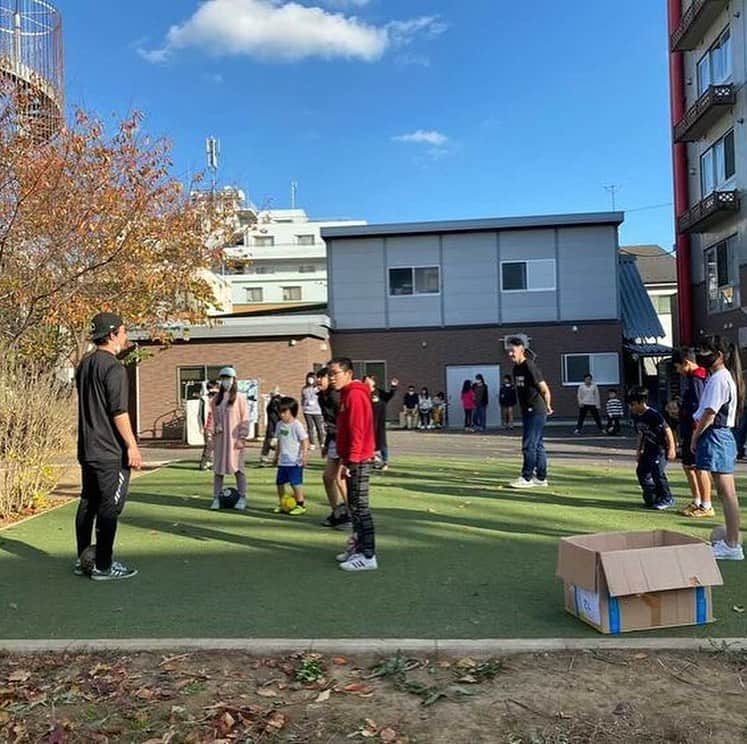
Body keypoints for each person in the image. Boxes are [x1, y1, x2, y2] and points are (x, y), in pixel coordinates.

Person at [75, 312, 141, 581]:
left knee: (88, 503)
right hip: (109, 452)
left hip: (88, 449)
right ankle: (103, 565)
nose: (126, 336)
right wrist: (132, 447)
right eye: (124, 331)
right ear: (112, 334)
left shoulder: (84, 365)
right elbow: (118, 411)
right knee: (109, 507)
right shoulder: (113, 368)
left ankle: (84, 560)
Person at [691, 337, 744, 560]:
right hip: (720, 436)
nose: (702, 355)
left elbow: (710, 414)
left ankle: (732, 545)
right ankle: (731, 541)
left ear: (720, 355)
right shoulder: (722, 377)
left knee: (727, 493)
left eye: (706, 351)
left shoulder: (719, 379)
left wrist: (695, 437)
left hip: (717, 435)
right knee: (725, 492)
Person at [329, 357, 378, 572]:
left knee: (360, 507)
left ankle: (368, 555)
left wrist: (352, 460)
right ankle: (358, 549)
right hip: (352, 458)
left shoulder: (355, 395)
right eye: (330, 374)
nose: (331, 378)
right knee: (354, 507)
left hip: (359, 459)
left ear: (348, 374)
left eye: (335, 373)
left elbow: (358, 430)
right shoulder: (346, 395)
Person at [507, 337, 552, 488]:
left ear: (521, 349)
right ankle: (541, 478)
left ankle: (526, 478)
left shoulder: (529, 366)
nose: (510, 354)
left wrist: (548, 406)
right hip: (527, 411)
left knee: (529, 445)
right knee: (538, 445)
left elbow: (544, 389)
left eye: (512, 351)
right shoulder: (516, 369)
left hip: (537, 411)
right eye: (509, 351)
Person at [672, 347, 710, 518]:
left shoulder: (698, 378)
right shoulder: (692, 378)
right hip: (688, 429)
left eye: (678, 366)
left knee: (698, 467)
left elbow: (700, 407)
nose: (677, 370)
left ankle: (706, 504)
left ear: (686, 363)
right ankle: (696, 500)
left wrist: (696, 433)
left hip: (695, 430)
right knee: (688, 466)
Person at [205, 366, 249, 511]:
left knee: (238, 469)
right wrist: (210, 432)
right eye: (223, 378)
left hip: (235, 440)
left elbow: (245, 419)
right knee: (218, 470)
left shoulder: (240, 398)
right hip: (220, 440)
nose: (226, 381)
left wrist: (242, 436)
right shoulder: (216, 399)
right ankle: (216, 497)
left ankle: (242, 497)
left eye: (228, 378)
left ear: (234, 380)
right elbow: (211, 417)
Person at [628, 386, 676, 510]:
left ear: (641, 402)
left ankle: (667, 497)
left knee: (657, 471)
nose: (631, 407)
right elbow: (641, 433)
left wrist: (671, 448)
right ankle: (653, 494)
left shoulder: (653, 415)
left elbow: (667, 430)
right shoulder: (636, 416)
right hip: (649, 448)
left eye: (633, 404)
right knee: (641, 471)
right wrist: (638, 450)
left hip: (660, 448)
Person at [316, 367, 350, 528]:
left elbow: (344, 420)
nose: (317, 380)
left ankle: (351, 512)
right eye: (317, 377)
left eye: (321, 377)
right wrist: (326, 443)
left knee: (339, 477)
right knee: (327, 477)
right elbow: (328, 422)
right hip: (333, 439)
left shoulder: (336, 396)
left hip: (343, 439)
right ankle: (336, 511)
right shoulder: (321, 397)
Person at [272, 396, 309, 515]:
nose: (281, 414)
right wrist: (275, 456)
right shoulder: (279, 425)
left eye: (284, 411)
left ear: (292, 411)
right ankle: (282, 503)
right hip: (283, 461)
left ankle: (300, 504)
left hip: (295, 461)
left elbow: (305, 441)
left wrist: (304, 456)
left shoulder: (297, 425)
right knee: (279, 483)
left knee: (295, 483)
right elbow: (279, 442)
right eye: (280, 411)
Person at [365, 374, 399, 470]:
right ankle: (371, 461)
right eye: (366, 380)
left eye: (369, 380)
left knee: (381, 442)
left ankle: (385, 461)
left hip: (379, 421)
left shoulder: (379, 392)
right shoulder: (363, 393)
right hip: (367, 422)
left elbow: (389, 396)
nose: (367, 382)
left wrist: (393, 387)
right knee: (369, 442)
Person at [198, 380, 220, 470]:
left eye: (216, 388)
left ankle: (212, 463)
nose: (214, 390)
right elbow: (200, 414)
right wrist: (201, 427)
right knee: (209, 445)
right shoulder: (204, 400)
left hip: (218, 426)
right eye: (212, 388)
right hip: (208, 426)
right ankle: (203, 463)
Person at [301, 372, 325, 451]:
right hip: (307, 411)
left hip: (317, 410)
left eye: (311, 378)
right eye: (308, 378)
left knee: (319, 427)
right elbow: (303, 398)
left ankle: (321, 442)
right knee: (310, 428)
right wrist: (303, 406)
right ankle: (312, 443)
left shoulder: (318, 388)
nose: (310, 380)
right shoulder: (304, 389)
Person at [260, 386, 282, 466]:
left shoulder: (276, 401)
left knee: (270, 442)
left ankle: (266, 458)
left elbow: (277, 414)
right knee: (270, 442)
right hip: (273, 424)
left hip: (274, 425)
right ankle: (266, 458)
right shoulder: (276, 400)